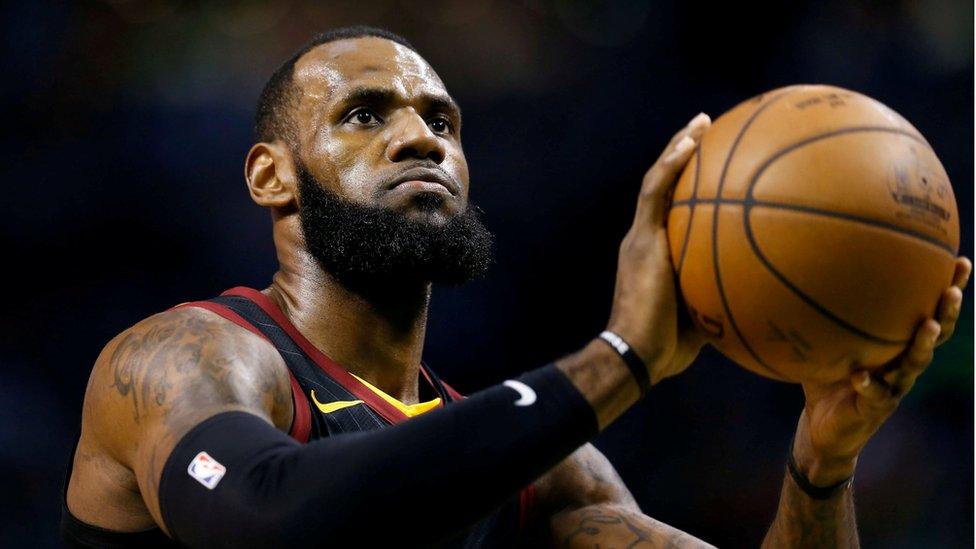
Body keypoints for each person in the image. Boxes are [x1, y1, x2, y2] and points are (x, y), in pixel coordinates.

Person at [61, 26, 970, 548]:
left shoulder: (551, 476)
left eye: (442, 121)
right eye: (364, 114)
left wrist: (822, 464)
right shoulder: (183, 359)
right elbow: (265, 519)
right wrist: (621, 358)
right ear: (270, 176)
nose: (420, 137)